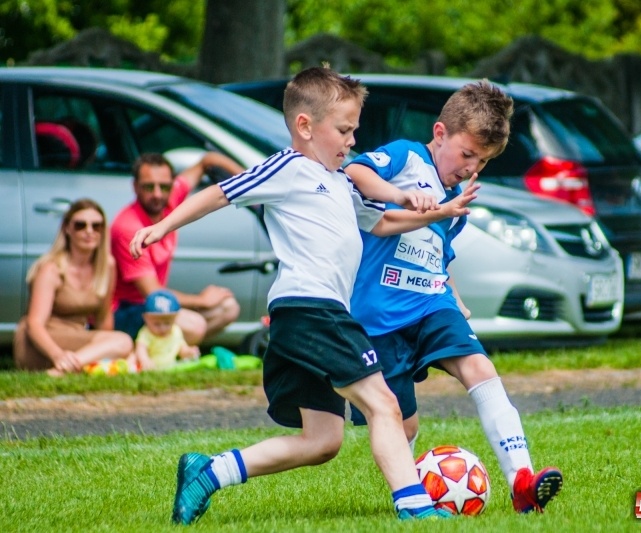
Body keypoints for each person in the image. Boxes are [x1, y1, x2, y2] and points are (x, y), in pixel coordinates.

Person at [129, 66, 479, 524]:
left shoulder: (341, 182)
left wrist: (436, 211)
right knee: (383, 403)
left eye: (354, 130)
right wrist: (162, 225)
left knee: (322, 441)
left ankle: (209, 471)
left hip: (313, 315)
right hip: (311, 309)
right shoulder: (289, 167)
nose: (352, 140)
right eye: (344, 130)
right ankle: (415, 507)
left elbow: (382, 222)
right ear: (305, 126)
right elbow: (219, 193)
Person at [345, 80, 563, 514]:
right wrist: (401, 194)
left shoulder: (455, 204)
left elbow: (438, 258)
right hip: (377, 318)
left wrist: (455, 296)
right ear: (440, 133)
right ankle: (412, 495)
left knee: (480, 368)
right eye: (467, 154)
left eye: (482, 161)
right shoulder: (407, 157)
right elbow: (356, 173)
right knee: (402, 424)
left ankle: (521, 480)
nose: (471, 167)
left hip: (431, 303)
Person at [111, 151, 243, 346]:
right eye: (149, 187)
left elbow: (207, 160)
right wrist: (201, 300)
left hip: (156, 305)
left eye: (164, 186)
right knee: (194, 325)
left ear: (172, 185)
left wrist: (251, 181)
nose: (157, 194)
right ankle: (150, 351)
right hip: (127, 310)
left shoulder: (170, 199)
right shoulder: (128, 227)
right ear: (135, 187)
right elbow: (153, 294)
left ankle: (168, 350)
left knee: (228, 308)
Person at [14, 198, 134, 375]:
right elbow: (35, 324)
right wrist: (57, 355)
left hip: (77, 338)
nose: (89, 231)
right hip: (41, 342)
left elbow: (103, 318)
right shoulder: (52, 268)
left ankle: (67, 368)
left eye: (96, 226)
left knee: (126, 350)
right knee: (123, 342)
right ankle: (63, 368)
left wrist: (107, 349)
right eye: (80, 225)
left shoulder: (106, 266)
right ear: (67, 229)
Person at [133, 289, 200, 372]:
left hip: (171, 367)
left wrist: (188, 352)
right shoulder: (146, 333)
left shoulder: (176, 331)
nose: (162, 328)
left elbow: (181, 348)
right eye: (157, 324)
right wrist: (145, 360)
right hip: (152, 367)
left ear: (175, 318)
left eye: (167, 323)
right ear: (146, 318)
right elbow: (141, 350)